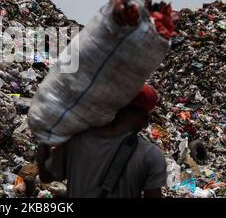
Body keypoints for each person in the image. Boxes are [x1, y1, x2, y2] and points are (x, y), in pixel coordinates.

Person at [37, 85, 168, 198]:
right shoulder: (150, 155)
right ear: (142, 117)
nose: (145, 123)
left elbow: (46, 176)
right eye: (146, 117)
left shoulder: (76, 140)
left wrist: (45, 139)